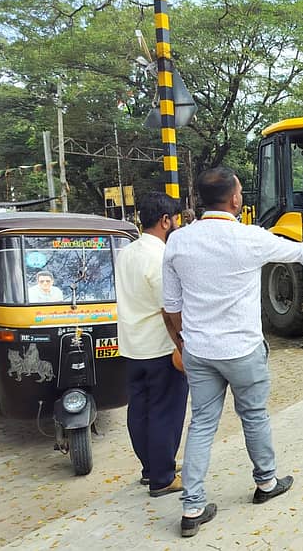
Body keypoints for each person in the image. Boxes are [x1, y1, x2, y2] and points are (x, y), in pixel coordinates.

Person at [163, 166, 303, 538]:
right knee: (253, 417)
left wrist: (183, 345)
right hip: (242, 349)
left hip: (199, 350)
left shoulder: (178, 241)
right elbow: (301, 252)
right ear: (235, 199)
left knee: (202, 424)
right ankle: (266, 483)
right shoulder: (249, 237)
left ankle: (192, 508)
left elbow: (171, 306)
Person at [115, 192, 188, 499]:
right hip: (160, 348)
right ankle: (162, 477)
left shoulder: (126, 252)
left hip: (132, 346)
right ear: (165, 221)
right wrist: (183, 344)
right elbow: (168, 309)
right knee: (165, 412)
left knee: (140, 410)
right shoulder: (159, 257)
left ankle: (151, 468)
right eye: (175, 219)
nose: (176, 225)